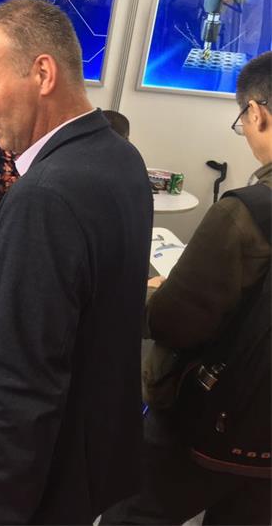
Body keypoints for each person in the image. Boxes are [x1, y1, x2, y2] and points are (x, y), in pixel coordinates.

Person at [0, 0, 153, 524]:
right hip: (86, 462)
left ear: (43, 73)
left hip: (41, 487)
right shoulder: (120, 157)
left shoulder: (46, 196)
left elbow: (23, 389)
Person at [103, 52, 272, 526]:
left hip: (207, 418)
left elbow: (175, 323)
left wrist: (154, 293)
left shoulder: (244, 213)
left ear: (256, 112)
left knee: (133, 516)